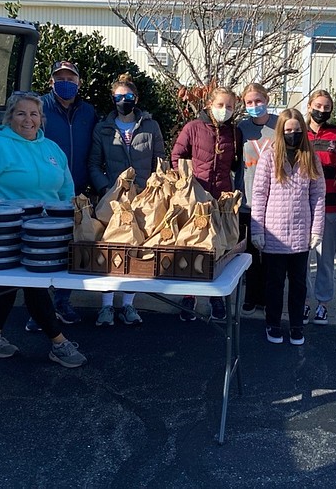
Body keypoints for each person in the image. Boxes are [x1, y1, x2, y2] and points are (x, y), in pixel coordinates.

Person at [0, 91, 86, 368]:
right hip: (6, 236)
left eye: (34, 114)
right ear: (9, 117)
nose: (28, 120)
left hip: (48, 234)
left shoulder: (52, 150)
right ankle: (58, 342)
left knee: (9, 285)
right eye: (21, 113)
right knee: (31, 283)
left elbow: (67, 191)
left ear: (42, 118)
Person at [24, 60, 97, 332]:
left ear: (79, 82)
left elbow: (95, 148)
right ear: (51, 81)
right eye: (60, 77)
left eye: (71, 78)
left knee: (71, 249)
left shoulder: (88, 111)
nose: (65, 82)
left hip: (76, 190)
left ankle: (63, 302)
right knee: (42, 252)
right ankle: (38, 310)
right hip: (44, 191)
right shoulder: (39, 108)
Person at [89, 73, 166, 326]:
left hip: (144, 198)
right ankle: (107, 306)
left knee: (136, 249)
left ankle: (129, 304)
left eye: (129, 96)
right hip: (114, 199)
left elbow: (160, 161)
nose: (124, 101)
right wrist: (105, 189)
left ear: (136, 98)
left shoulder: (150, 126)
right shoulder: (103, 128)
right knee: (110, 251)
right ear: (113, 99)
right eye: (119, 97)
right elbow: (93, 164)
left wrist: (153, 191)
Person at [250, 109, 325, 345]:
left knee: (299, 284)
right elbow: (259, 194)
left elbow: (318, 196)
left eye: (297, 130)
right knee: (274, 284)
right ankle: (272, 323)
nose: (293, 134)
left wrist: (316, 230)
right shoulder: (270, 156)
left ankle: (296, 325)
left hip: (301, 233)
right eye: (288, 130)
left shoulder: (311, 158)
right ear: (281, 131)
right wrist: (257, 230)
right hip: (274, 234)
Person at [171, 86, 241, 322]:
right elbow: (177, 156)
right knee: (193, 246)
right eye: (220, 105)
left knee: (219, 247)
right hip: (195, 197)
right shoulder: (193, 127)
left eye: (229, 106)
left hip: (222, 197)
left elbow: (237, 164)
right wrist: (185, 182)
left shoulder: (234, 133)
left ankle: (216, 297)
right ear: (209, 104)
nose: (224, 110)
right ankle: (190, 295)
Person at [234, 82, 278, 315]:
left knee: (270, 254)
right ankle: (251, 296)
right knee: (249, 253)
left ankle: (267, 297)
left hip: (274, 201)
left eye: (258, 101)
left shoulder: (279, 125)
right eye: (249, 102)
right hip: (247, 199)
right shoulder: (241, 128)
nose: (254, 106)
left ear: (267, 99)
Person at [304, 89, 336, 325]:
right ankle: (304, 301)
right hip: (301, 206)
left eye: (327, 107)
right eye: (318, 106)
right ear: (309, 106)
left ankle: (323, 303)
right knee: (303, 259)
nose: (322, 111)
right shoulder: (298, 132)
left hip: (330, 204)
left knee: (325, 257)